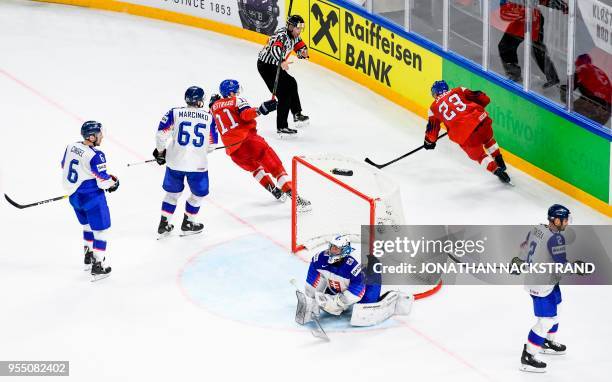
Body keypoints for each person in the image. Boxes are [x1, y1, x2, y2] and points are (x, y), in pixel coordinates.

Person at [209, 79, 311, 210]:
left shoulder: (213, 108)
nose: (238, 93)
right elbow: (246, 115)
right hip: (250, 142)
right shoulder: (237, 101)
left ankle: (275, 191)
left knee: (255, 170)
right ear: (232, 93)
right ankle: (297, 200)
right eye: (236, 91)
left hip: (234, 152)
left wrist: (212, 105)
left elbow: (212, 123)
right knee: (277, 170)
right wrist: (261, 109)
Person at [516, 204, 583, 372]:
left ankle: (547, 341)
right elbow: (562, 264)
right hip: (541, 283)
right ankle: (528, 357)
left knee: (558, 309)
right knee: (546, 320)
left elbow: (525, 246)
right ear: (556, 220)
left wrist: (519, 260)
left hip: (548, 279)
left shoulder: (537, 229)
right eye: (565, 219)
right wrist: (577, 268)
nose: (567, 222)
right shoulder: (556, 238)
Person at [295, 236, 412, 327]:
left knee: (363, 312)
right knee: (330, 303)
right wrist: (311, 298)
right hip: (344, 282)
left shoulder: (356, 264)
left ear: (345, 250)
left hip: (369, 277)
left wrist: (337, 302)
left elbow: (357, 291)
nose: (332, 251)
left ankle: (392, 297)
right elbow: (312, 279)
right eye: (332, 247)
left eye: (336, 248)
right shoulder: (319, 258)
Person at [153, 86, 218, 239]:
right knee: (198, 195)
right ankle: (188, 223)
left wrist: (161, 153)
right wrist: (200, 150)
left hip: (174, 162)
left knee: (172, 194)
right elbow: (212, 145)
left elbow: (161, 135)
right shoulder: (209, 117)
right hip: (198, 165)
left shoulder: (174, 112)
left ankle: (164, 223)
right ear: (200, 101)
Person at [61, 120, 119, 280]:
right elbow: (103, 180)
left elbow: (63, 166)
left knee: (87, 225)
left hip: (74, 197)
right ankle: (98, 265)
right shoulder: (96, 155)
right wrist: (114, 182)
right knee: (101, 230)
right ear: (92, 137)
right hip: (92, 198)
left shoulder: (71, 146)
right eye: (99, 134)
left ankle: (88, 256)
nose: (102, 137)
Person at [423, 80, 511, 184]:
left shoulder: (433, 108)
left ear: (435, 93)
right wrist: (474, 111)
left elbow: (432, 135)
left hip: (465, 135)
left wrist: (428, 142)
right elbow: (484, 99)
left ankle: (497, 171)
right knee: (487, 139)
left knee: (480, 155)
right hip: (481, 120)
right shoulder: (459, 90)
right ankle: (499, 158)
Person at [257, 14, 310, 136]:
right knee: (284, 94)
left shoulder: (294, 36)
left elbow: (300, 47)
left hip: (276, 65)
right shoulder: (281, 36)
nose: (299, 31)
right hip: (266, 67)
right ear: (291, 27)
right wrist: (282, 62)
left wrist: (303, 52)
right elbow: (275, 49)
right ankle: (282, 127)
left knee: (291, 83)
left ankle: (297, 114)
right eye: (298, 28)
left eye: (301, 28)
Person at [496, 0, 566, 88]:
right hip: (523, 20)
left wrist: (562, 7)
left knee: (535, 50)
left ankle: (552, 78)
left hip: (531, 20)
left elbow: (545, 1)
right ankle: (515, 75)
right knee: (506, 46)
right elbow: (505, 14)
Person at [560, 54, 611, 126]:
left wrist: (562, 90)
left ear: (578, 63)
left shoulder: (582, 68)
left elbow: (570, 88)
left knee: (568, 117)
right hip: (606, 113)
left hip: (593, 105)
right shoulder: (599, 71)